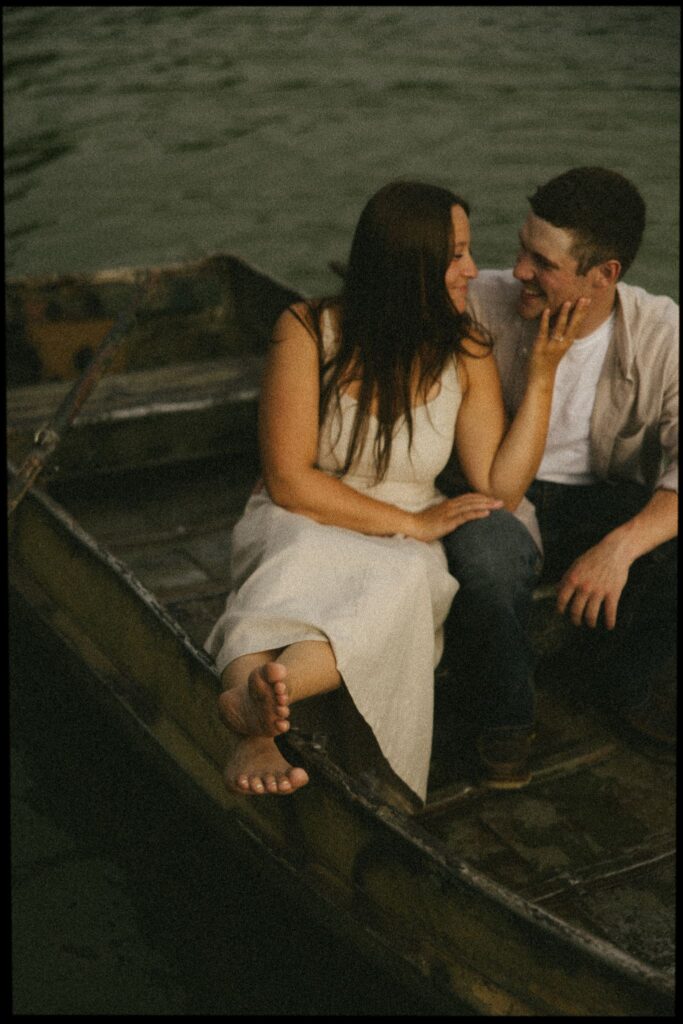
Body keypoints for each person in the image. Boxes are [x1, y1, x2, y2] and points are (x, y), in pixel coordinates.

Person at [204, 180, 588, 804]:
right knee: (292, 564)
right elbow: (289, 479)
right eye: (457, 253)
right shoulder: (307, 329)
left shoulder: (466, 345)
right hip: (307, 506)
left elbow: (499, 485)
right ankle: (257, 714)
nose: (471, 268)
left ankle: (260, 705)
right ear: (411, 264)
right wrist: (411, 524)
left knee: (404, 583)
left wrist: (543, 375)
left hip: (412, 519)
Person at [440, 166, 678, 788]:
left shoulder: (661, 333)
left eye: (541, 263)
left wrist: (620, 548)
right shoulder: (484, 304)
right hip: (494, 491)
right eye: (521, 248)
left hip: (599, 501)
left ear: (606, 275)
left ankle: (625, 679)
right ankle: (505, 718)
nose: (519, 269)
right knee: (488, 560)